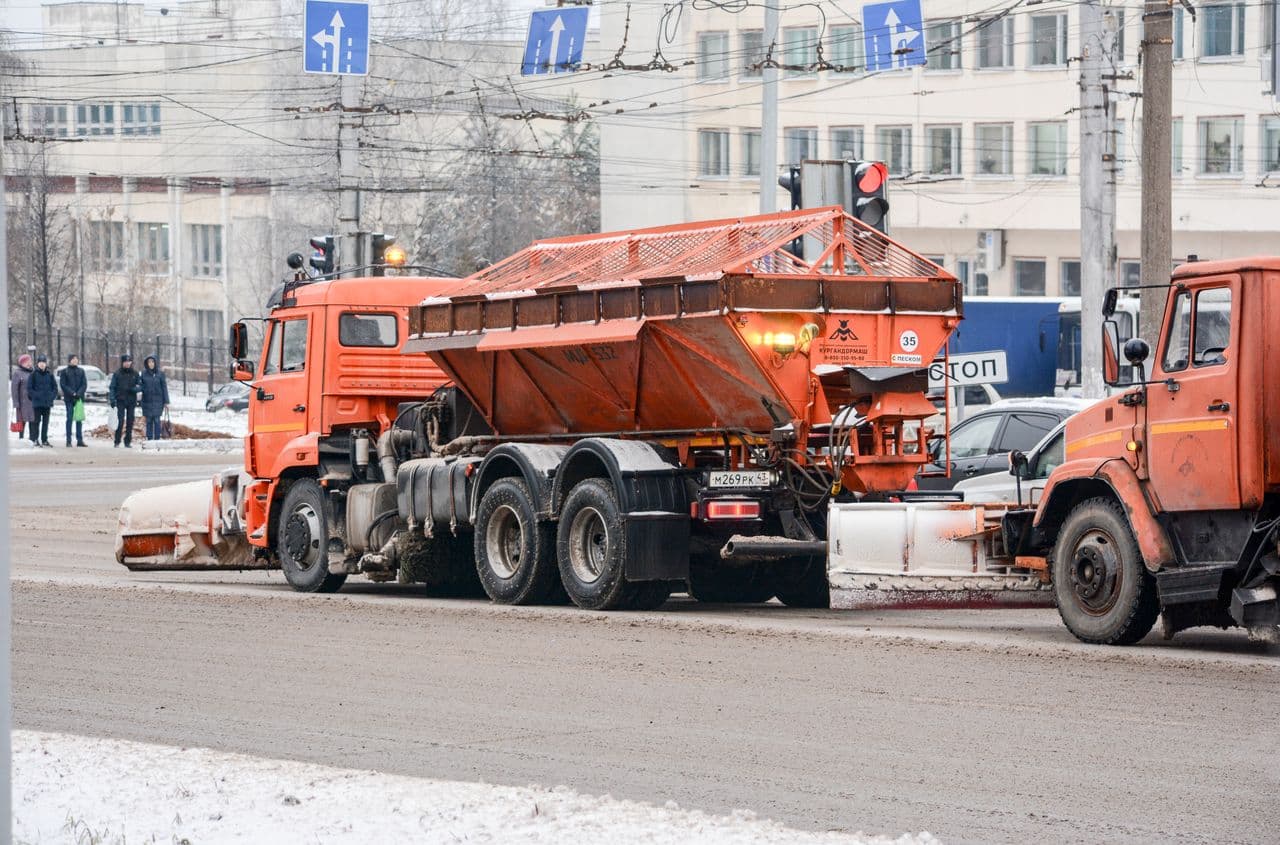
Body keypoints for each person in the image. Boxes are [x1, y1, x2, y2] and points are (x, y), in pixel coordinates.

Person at [109, 353, 142, 448]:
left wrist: (134, 389)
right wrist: (112, 399)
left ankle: (127, 441)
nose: (127, 363)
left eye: (129, 361)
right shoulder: (117, 373)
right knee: (120, 420)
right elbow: (112, 387)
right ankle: (117, 441)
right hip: (120, 400)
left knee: (130, 421)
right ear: (122, 362)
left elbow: (140, 386)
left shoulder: (135, 373)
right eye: (125, 362)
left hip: (131, 400)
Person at [27, 355, 58, 447]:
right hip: (37, 403)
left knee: (46, 422)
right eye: (40, 362)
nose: (42, 364)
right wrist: (36, 396)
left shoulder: (50, 374)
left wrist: (52, 396)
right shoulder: (33, 374)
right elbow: (29, 389)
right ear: (37, 363)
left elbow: (55, 388)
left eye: (44, 362)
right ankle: (35, 439)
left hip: (47, 403)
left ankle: (44, 439)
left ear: (46, 363)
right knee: (36, 422)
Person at [59, 353, 88, 447]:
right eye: (73, 359)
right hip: (69, 399)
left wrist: (79, 393)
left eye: (76, 358)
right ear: (69, 360)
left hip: (79, 399)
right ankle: (68, 440)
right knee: (70, 418)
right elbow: (63, 385)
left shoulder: (81, 371)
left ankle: (79, 440)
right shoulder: (64, 371)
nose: (75, 360)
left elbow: (84, 384)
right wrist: (72, 393)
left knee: (79, 419)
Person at [139, 355, 170, 441]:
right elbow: (140, 385)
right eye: (149, 362)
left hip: (158, 401)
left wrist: (166, 401)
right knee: (148, 420)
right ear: (147, 363)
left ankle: (157, 438)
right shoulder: (143, 374)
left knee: (157, 420)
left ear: (155, 363)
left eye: (152, 362)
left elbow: (164, 387)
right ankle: (149, 439)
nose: (151, 364)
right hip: (147, 400)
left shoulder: (160, 374)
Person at [9, 353, 35, 444]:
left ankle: (32, 439)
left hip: (32, 401)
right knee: (21, 421)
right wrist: (16, 403)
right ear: (22, 363)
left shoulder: (33, 372)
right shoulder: (17, 373)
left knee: (32, 421)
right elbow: (14, 389)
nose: (29, 363)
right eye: (27, 362)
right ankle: (21, 438)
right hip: (22, 402)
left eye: (30, 361)